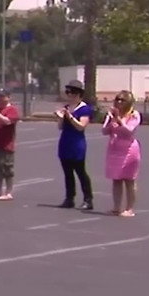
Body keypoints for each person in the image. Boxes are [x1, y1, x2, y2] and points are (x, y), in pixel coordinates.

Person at [55, 79, 93, 209]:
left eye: (71, 92)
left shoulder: (84, 109)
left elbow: (81, 126)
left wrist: (70, 117)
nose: (69, 95)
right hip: (65, 142)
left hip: (77, 143)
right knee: (67, 173)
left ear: (78, 94)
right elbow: (60, 127)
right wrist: (60, 118)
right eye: (67, 92)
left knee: (80, 171)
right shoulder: (66, 108)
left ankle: (88, 199)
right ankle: (69, 198)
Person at [102, 89, 141, 216]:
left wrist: (119, 120)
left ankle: (129, 208)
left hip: (129, 150)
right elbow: (104, 131)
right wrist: (111, 120)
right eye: (117, 99)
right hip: (114, 149)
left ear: (128, 102)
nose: (119, 102)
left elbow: (129, 130)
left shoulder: (134, 115)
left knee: (129, 180)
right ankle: (116, 207)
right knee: (116, 179)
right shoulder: (111, 114)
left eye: (122, 100)